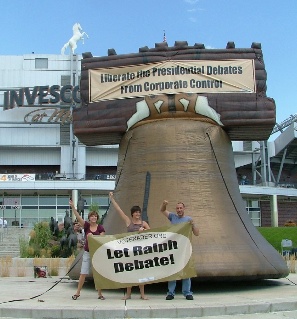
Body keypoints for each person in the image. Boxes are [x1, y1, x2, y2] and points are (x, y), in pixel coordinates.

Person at [109, 192, 150, 300]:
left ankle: (142, 294)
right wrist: (112, 199)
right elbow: (119, 210)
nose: (138, 214)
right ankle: (128, 294)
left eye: (139, 212)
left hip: (141, 251)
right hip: (130, 251)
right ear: (132, 214)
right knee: (129, 272)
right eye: (136, 212)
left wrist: (144, 230)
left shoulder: (144, 223)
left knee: (141, 273)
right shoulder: (128, 222)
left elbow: (152, 234)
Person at [160, 200, 199, 300]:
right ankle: (171, 293)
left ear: (184, 209)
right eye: (177, 208)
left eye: (181, 208)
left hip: (185, 249)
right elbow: (162, 210)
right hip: (174, 249)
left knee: (186, 271)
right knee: (173, 271)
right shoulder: (172, 217)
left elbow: (197, 233)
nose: (179, 210)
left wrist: (193, 224)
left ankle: (187, 293)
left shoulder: (188, 219)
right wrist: (164, 204)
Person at [69, 199, 106, 300]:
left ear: (97, 218)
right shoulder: (86, 226)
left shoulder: (100, 228)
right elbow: (78, 217)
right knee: (83, 273)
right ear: (89, 218)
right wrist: (73, 207)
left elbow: (101, 239)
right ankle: (77, 292)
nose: (93, 217)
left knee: (98, 273)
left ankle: (100, 293)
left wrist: (92, 237)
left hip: (97, 253)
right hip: (87, 252)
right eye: (92, 216)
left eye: (95, 216)